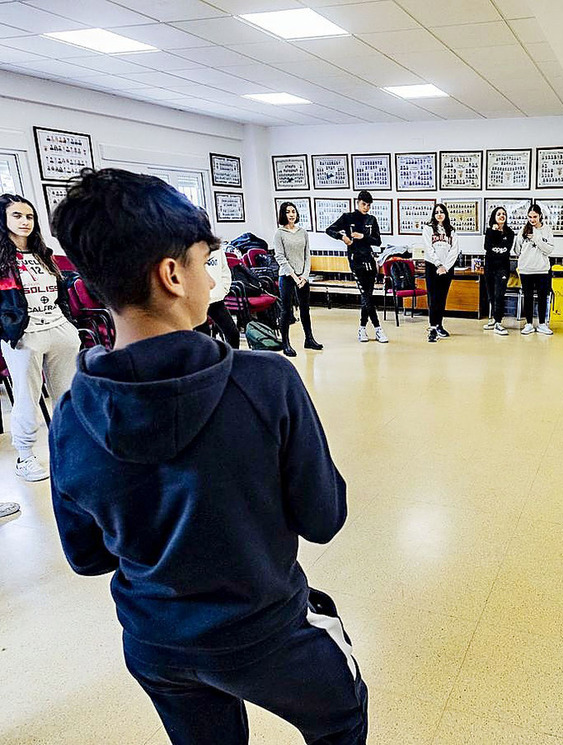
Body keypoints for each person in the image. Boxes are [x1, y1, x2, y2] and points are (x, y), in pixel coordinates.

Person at [48, 168, 367, 745]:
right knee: (342, 717)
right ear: (171, 274)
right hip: (267, 632)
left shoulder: (72, 413)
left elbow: (88, 556)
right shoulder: (266, 381)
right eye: (204, 260)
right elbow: (325, 517)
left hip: (155, 643)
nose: (211, 275)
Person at [0, 193, 79, 482]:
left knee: (66, 394)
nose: (24, 221)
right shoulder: (1, 259)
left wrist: (69, 326)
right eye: (17, 216)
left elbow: (60, 294)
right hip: (24, 334)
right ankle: (25, 456)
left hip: (58, 329)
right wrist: (9, 329)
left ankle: (69, 448)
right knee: (27, 396)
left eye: (29, 216)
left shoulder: (44, 255)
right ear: (3, 220)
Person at [326, 191, 387, 344]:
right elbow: (329, 230)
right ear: (357, 202)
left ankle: (361, 328)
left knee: (368, 296)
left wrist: (363, 237)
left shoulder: (372, 219)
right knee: (366, 296)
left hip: (369, 260)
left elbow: (378, 241)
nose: (366, 207)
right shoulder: (348, 217)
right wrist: (342, 237)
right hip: (356, 260)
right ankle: (378, 328)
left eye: (368, 205)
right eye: (363, 204)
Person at [274, 201, 322, 356]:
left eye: (293, 211)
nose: (291, 214)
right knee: (286, 311)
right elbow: (280, 257)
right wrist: (295, 277)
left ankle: (309, 339)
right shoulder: (279, 233)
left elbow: (307, 255)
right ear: (283, 214)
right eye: (288, 212)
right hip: (287, 276)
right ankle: (285, 343)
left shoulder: (303, 232)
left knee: (305, 309)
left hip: (303, 277)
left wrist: (305, 276)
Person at [422, 203, 460, 343]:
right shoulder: (428, 229)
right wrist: (438, 264)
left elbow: (454, 250)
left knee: (442, 297)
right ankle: (432, 327)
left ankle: (439, 324)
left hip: (446, 269)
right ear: (433, 214)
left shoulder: (451, 230)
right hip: (433, 266)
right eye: (437, 212)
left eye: (442, 212)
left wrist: (446, 267)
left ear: (446, 214)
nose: (439, 214)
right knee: (433, 297)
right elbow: (428, 248)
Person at [515, 204, 555, 336]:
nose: (532, 219)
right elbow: (517, 249)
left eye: (535, 217)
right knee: (528, 297)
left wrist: (537, 239)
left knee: (543, 297)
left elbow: (549, 249)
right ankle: (528, 324)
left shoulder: (547, 230)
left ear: (540, 216)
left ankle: (542, 324)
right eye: (530, 217)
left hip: (542, 269)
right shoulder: (523, 230)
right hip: (526, 269)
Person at [196, 242, 239, 348]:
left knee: (233, 333)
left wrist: (223, 289)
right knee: (204, 337)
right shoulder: (189, 248)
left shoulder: (216, 247)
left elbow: (224, 270)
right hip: (196, 300)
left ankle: (233, 361)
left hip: (216, 299)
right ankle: (208, 363)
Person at [483, 206, 515, 336]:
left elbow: (506, 249)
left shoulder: (510, 233)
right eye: (499, 214)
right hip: (490, 267)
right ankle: (494, 320)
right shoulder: (490, 231)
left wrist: (497, 250)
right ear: (494, 217)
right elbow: (487, 247)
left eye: (504, 214)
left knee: (499, 295)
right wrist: (495, 232)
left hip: (502, 268)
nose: (502, 216)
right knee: (491, 295)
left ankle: (498, 322)